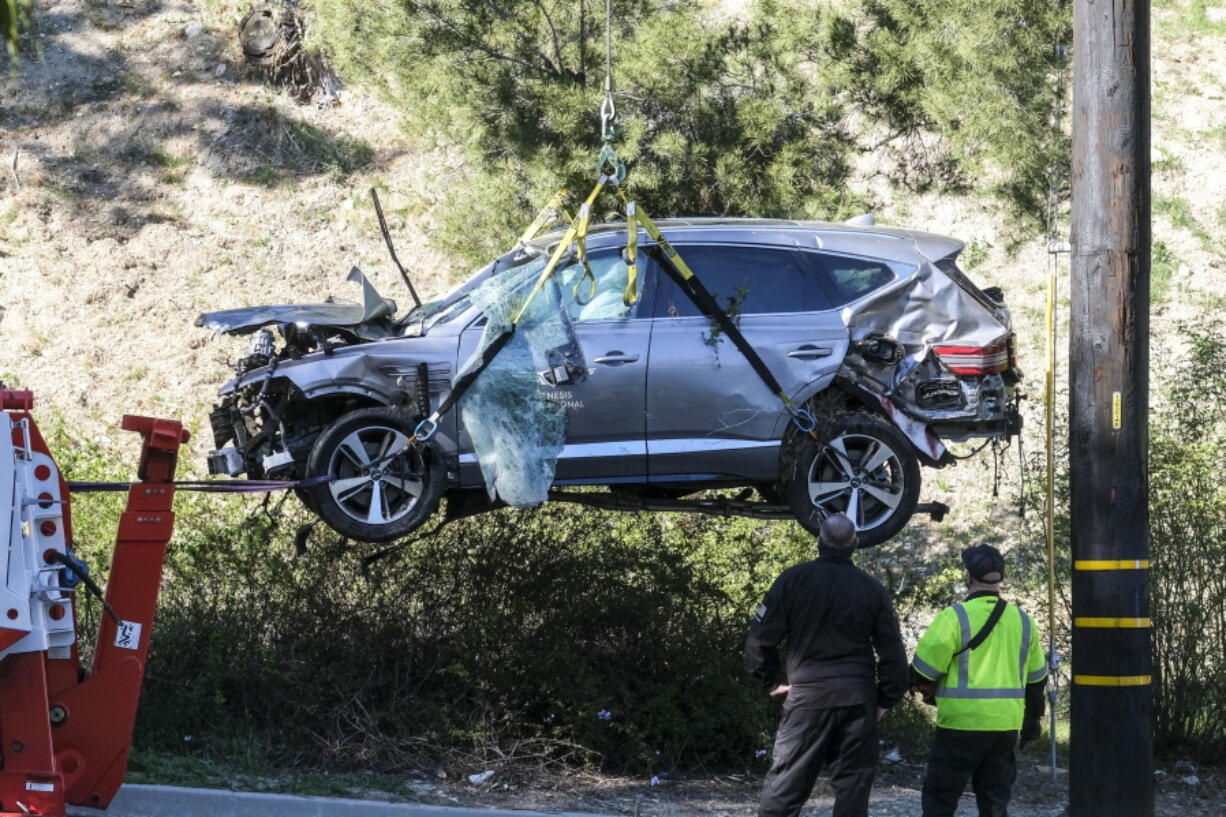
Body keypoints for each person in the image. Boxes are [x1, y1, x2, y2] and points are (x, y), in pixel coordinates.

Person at [745, 513, 908, 817]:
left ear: (819, 541)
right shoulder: (872, 589)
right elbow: (893, 653)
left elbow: (758, 641)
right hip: (857, 702)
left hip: (806, 699)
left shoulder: (793, 580)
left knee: (784, 791)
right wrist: (886, 699)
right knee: (852, 793)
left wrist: (770, 683)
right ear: (855, 543)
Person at [910, 544, 1048, 817]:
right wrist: (1031, 725)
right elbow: (1036, 682)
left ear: (969, 577)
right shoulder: (1023, 622)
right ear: (1001, 577)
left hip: (960, 725)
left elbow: (923, 672)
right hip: (1005, 726)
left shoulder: (954, 617)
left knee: (940, 799)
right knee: (995, 802)